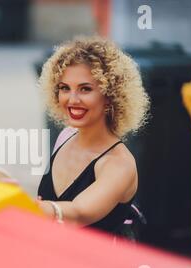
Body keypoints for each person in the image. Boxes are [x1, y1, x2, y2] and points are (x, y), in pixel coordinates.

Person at [36, 36, 149, 240]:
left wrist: (29, 208)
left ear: (110, 95)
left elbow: (79, 213)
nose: (72, 99)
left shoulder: (119, 164)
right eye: (64, 88)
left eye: (85, 89)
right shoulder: (65, 136)